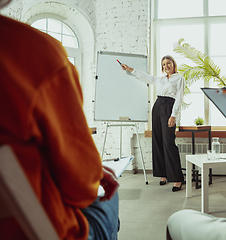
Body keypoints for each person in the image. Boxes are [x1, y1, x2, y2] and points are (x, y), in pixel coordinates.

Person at [0, 2, 120, 239]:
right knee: (111, 196)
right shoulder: (33, 53)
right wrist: (91, 171)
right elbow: (81, 190)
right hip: (39, 232)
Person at [121, 56, 185, 192]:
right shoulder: (160, 79)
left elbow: (179, 98)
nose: (166, 66)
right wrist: (130, 69)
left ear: (173, 64)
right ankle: (163, 174)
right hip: (157, 107)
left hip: (169, 107)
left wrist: (174, 115)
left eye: (168, 63)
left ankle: (178, 178)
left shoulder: (179, 78)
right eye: (163, 64)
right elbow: (145, 77)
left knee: (169, 142)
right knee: (157, 141)